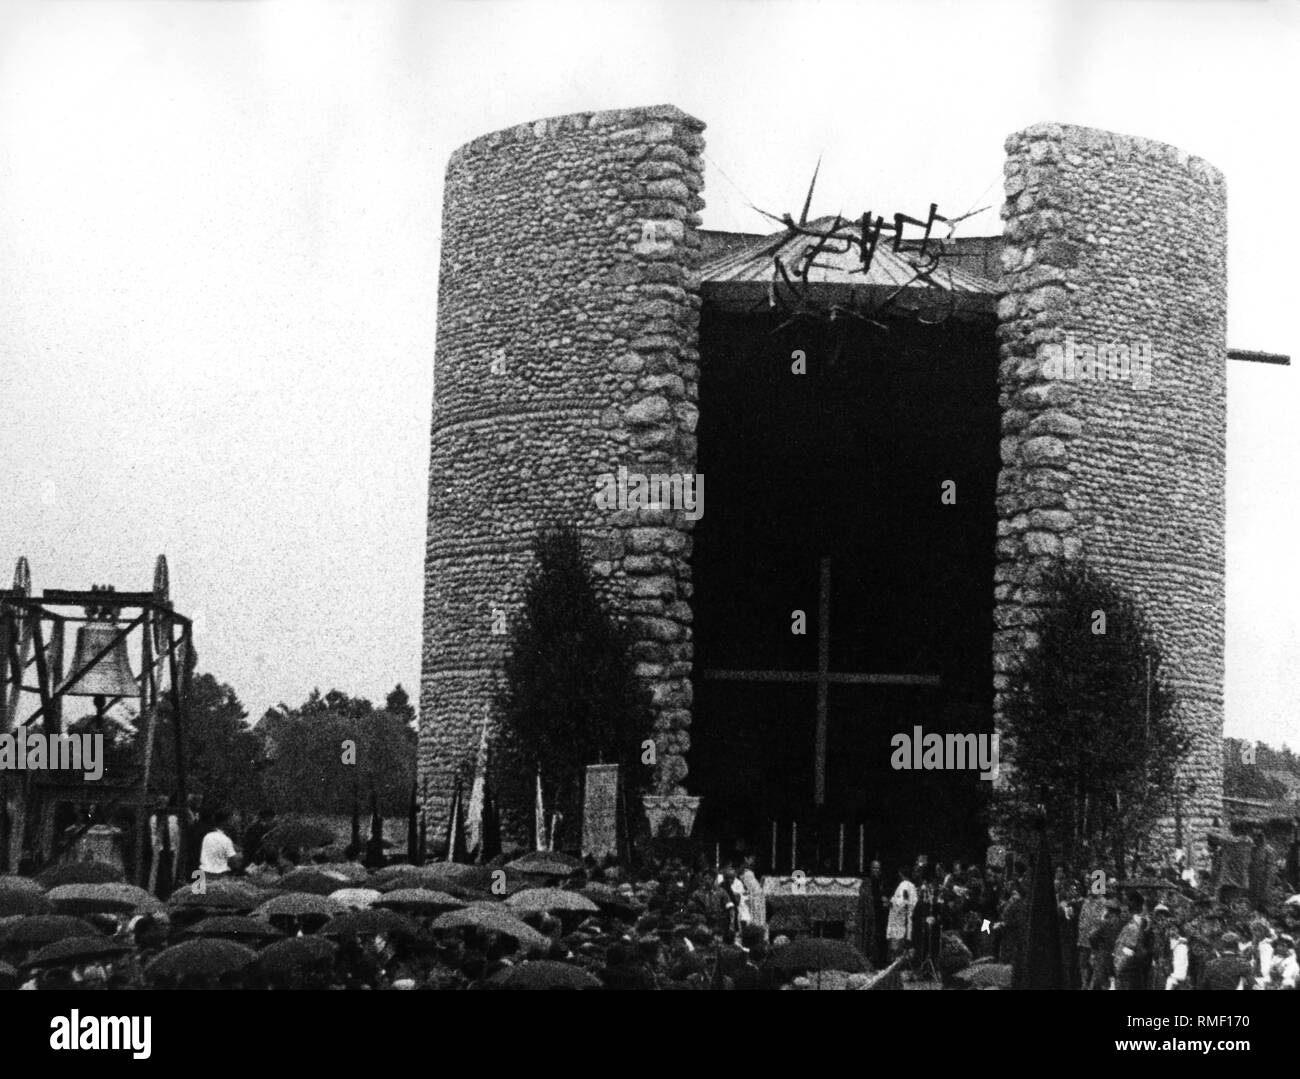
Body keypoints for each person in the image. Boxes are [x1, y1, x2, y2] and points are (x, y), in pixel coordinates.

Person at [1112, 890, 1150, 991]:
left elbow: (1129, 951)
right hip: (1129, 969)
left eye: (1126, 905)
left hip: (1127, 971)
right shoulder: (1134, 924)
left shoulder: (1133, 927)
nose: (1123, 909)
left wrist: (1119, 968)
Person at [199, 810, 242, 880]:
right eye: (230, 820)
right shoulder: (225, 839)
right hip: (219, 876)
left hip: (205, 874)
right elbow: (234, 861)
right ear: (225, 822)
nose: (232, 823)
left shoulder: (207, 836)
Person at [886, 867, 917, 961]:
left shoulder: (904, 885)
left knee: (896, 948)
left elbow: (902, 902)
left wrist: (890, 902)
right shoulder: (912, 886)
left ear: (900, 874)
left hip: (899, 921)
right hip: (907, 920)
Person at [1165, 924, 1191, 990]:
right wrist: (1178, 942)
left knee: (1178, 977)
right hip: (1178, 959)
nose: (1173, 932)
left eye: (1174, 931)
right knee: (1174, 978)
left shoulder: (1181, 939)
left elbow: (1185, 940)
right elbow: (1172, 947)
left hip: (1182, 960)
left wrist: (1179, 940)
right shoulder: (1173, 940)